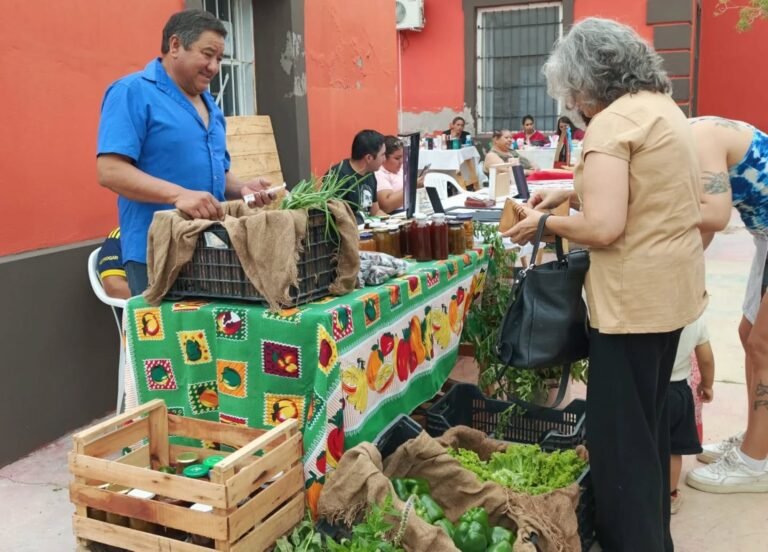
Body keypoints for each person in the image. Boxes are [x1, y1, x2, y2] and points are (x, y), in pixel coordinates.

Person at [504, 18, 706, 551]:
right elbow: (644, 187)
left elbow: (604, 228)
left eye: (572, 91)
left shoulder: (613, 124)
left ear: (590, 80)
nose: (572, 102)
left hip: (632, 304)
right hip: (670, 296)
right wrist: (570, 189)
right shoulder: (663, 109)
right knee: (647, 431)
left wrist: (546, 223)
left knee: (619, 446)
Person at [96, 9, 276, 297]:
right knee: (165, 341)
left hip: (211, 251)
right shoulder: (132, 92)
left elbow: (218, 173)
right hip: (156, 254)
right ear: (176, 46)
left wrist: (243, 188)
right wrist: (179, 195)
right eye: (207, 54)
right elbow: (110, 171)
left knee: (208, 341)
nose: (214, 67)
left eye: (219, 58)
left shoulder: (212, 108)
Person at [684, 116, 768, 492]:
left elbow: (714, 217)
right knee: (748, 333)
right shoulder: (685, 141)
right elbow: (700, 233)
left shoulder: (698, 139)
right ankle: (758, 437)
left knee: (763, 345)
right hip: (764, 236)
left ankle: (756, 462)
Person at [668, 315, 714, 514]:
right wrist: (707, 384)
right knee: (672, 450)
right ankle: (669, 497)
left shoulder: (648, 312)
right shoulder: (695, 318)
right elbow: (706, 358)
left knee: (641, 442)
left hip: (645, 388)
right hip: (676, 392)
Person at [326, 130, 386, 223]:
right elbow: (330, 217)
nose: (384, 159)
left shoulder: (370, 173)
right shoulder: (338, 175)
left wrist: (392, 220)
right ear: (369, 158)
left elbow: (375, 211)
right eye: (382, 155)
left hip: (366, 230)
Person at [374, 135, 424, 214]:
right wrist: (412, 186)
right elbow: (386, 205)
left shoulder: (401, 169)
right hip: (397, 213)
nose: (401, 161)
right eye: (397, 158)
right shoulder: (379, 173)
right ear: (384, 158)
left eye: (403, 157)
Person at [97, 228, 131, 300]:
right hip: (145, 305)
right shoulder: (118, 238)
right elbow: (114, 287)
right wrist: (156, 295)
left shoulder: (159, 230)